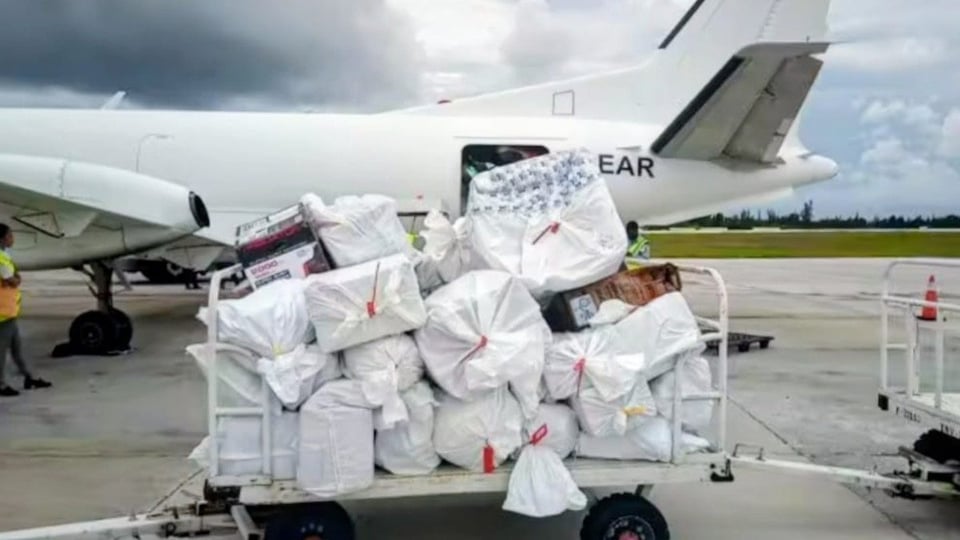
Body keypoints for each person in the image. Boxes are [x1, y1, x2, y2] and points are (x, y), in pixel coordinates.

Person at [0, 223, 52, 397]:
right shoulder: (1, 258)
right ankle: (1, 385)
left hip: (8, 312)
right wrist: (15, 279)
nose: (12, 238)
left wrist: (15, 278)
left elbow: (13, 279)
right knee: (2, 352)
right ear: (2, 239)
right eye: (10, 235)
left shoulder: (4, 255)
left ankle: (29, 378)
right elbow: (12, 280)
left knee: (17, 349)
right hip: (2, 315)